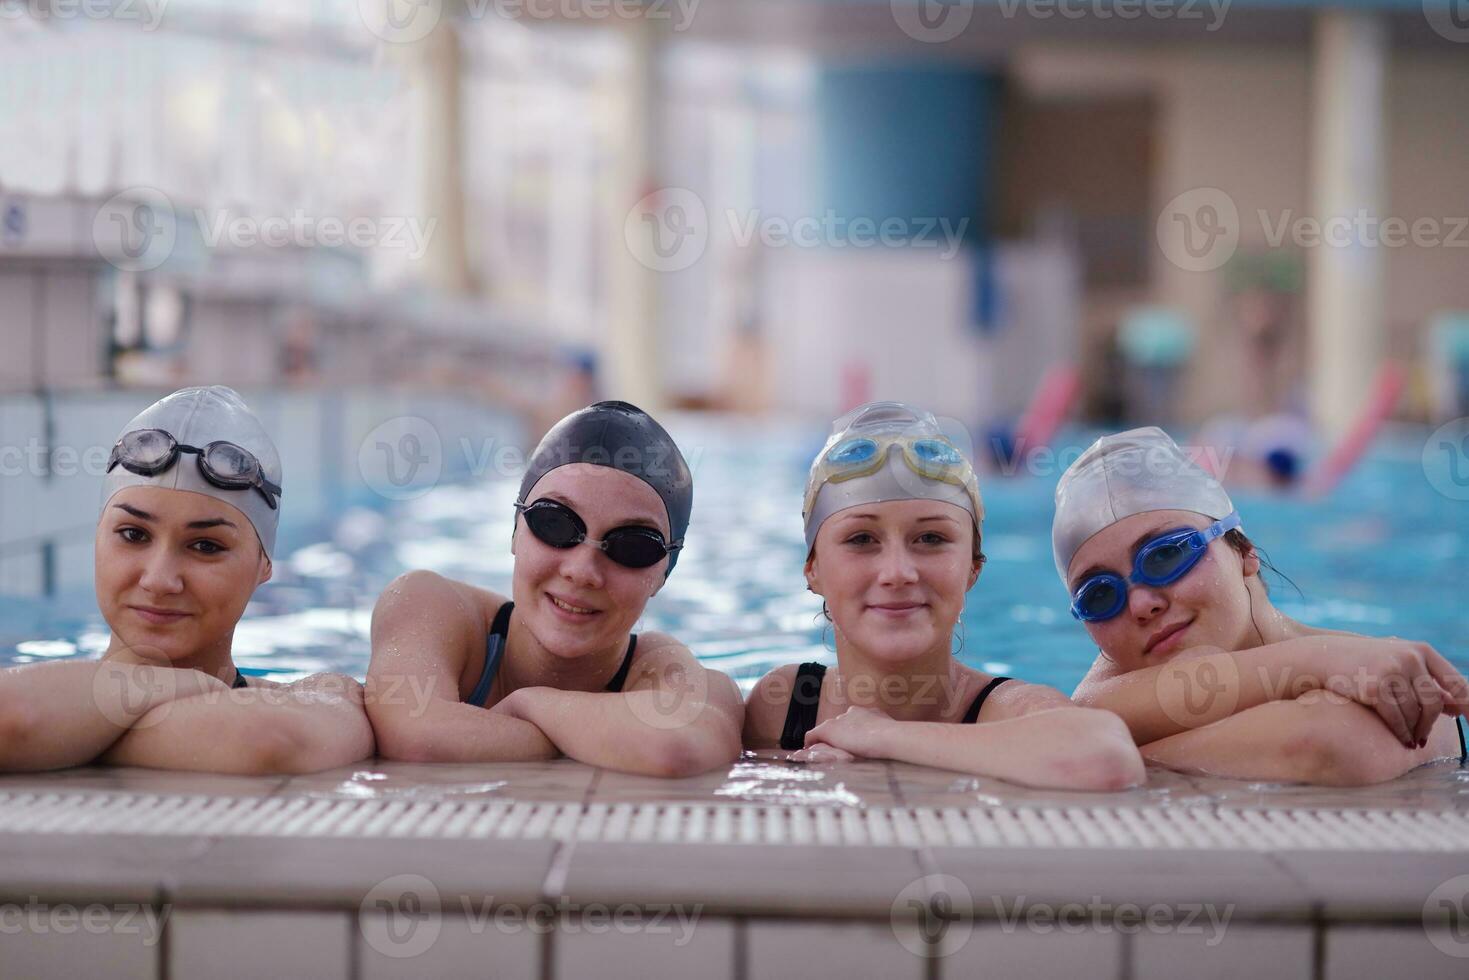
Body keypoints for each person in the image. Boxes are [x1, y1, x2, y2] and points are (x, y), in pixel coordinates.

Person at [743, 402, 1145, 790]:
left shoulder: (1006, 710)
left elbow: (1106, 758)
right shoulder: (784, 705)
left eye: (931, 538)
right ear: (813, 569)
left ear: (973, 567)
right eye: (861, 539)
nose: (898, 573)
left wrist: (881, 737)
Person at [1058, 427, 1469, 785]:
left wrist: (1115, 756)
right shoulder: (1347, 664)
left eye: (1167, 555)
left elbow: (1320, 743)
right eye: (1099, 594)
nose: (1141, 604)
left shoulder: (1393, 678)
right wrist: (1310, 664)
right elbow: (1084, 716)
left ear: (1244, 551)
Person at [0, 386, 373, 774]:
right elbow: (9, 721)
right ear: (96, 539)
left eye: (206, 546)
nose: (159, 580)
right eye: (133, 535)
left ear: (264, 565)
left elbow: (263, 742)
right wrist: (173, 687)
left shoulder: (328, 696)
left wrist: (67, 734)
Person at [366, 401, 743, 776]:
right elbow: (417, 737)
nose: (583, 571)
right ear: (515, 531)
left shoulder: (664, 669)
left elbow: (678, 749)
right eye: (555, 523)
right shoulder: (431, 606)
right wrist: (581, 739)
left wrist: (529, 703)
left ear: (663, 573)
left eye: (633, 545)